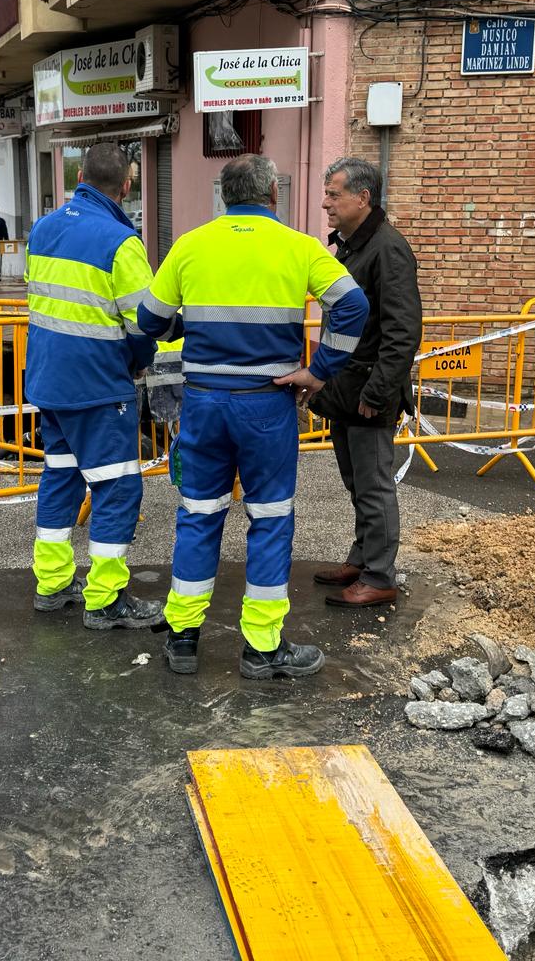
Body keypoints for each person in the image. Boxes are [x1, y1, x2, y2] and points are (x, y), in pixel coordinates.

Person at [137, 154, 369, 680]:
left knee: (198, 514)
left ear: (224, 196)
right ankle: (261, 649)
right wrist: (319, 370)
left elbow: (149, 320)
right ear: (273, 196)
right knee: (269, 520)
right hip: (267, 403)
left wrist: (193, 320)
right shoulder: (299, 247)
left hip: (203, 403)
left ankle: (182, 637)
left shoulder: (190, 245)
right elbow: (352, 306)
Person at [23, 143, 163, 629]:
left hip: (47, 383)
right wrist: (140, 365)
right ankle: (105, 599)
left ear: (79, 174)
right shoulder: (121, 243)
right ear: (127, 186)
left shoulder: (42, 229)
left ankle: (53, 583)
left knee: (59, 479)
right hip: (99, 388)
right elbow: (144, 322)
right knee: (117, 488)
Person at [308, 157, 422, 609]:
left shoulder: (388, 248)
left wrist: (378, 393)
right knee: (356, 482)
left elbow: (403, 330)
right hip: (347, 389)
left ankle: (379, 575)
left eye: (334, 194)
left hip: (369, 393)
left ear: (363, 198)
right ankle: (363, 557)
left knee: (374, 485)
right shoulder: (354, 246)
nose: (325, 203)